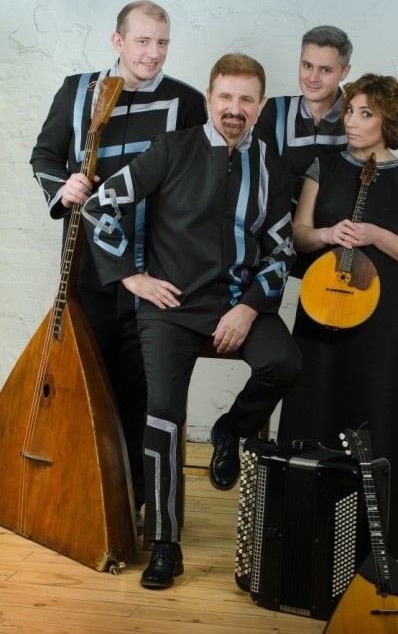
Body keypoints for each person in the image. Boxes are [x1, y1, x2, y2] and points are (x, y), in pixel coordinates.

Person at [81, 53, 303, 589]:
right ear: (209, 99)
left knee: (285, 363)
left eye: (246, 99)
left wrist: (249, 306)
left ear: (260, 106)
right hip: (171, 307)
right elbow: (98, 206)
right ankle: (165, 543)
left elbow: (282, 249)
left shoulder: (271, 165)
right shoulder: (171, 149)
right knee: (162, 412)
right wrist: (132, 277)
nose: (234, 108)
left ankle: (231, 430)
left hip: (239, 302)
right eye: (225, 96)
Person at [30, 0, 208, 534]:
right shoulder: (77, 91)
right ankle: (87, 496)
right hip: (88, 266)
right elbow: (43, 155)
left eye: (162, 42)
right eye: (142, 41)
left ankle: (141, 505)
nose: (153, 53)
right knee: (90, 381)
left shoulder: (187, 102)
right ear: (118, 41)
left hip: (155, 267)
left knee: (143, 388)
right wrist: (64, 186)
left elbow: (196, 181)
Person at [277, 73, 398, 560]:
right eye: (350, 111)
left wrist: (375, 235)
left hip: (383, 318)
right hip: (322, 306)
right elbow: (299, 233)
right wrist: (329, 235)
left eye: (365, 113)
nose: (351, 120)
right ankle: (304, 526)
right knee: (314, 401)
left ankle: (375, 534)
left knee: (376, 406)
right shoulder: (322, 167)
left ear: (389, 121)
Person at [254, 25, 352, 277]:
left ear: (345, 71)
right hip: (274, 246)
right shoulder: (275, 111)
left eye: (325, 69)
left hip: (339, 253)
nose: (312, 77)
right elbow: (258, 180)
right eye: (307, 65)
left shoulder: (358, 118)